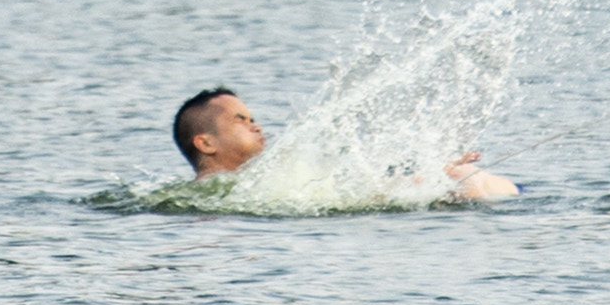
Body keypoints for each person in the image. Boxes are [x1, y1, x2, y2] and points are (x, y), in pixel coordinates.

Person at [172, 87, 518, 199]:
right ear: (205, 143)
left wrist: (432, 169)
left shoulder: (274, 177)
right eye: (240, 120)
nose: (256, 126)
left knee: (469, 178)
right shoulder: (218, 197)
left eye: (252, 118)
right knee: (470, 183)